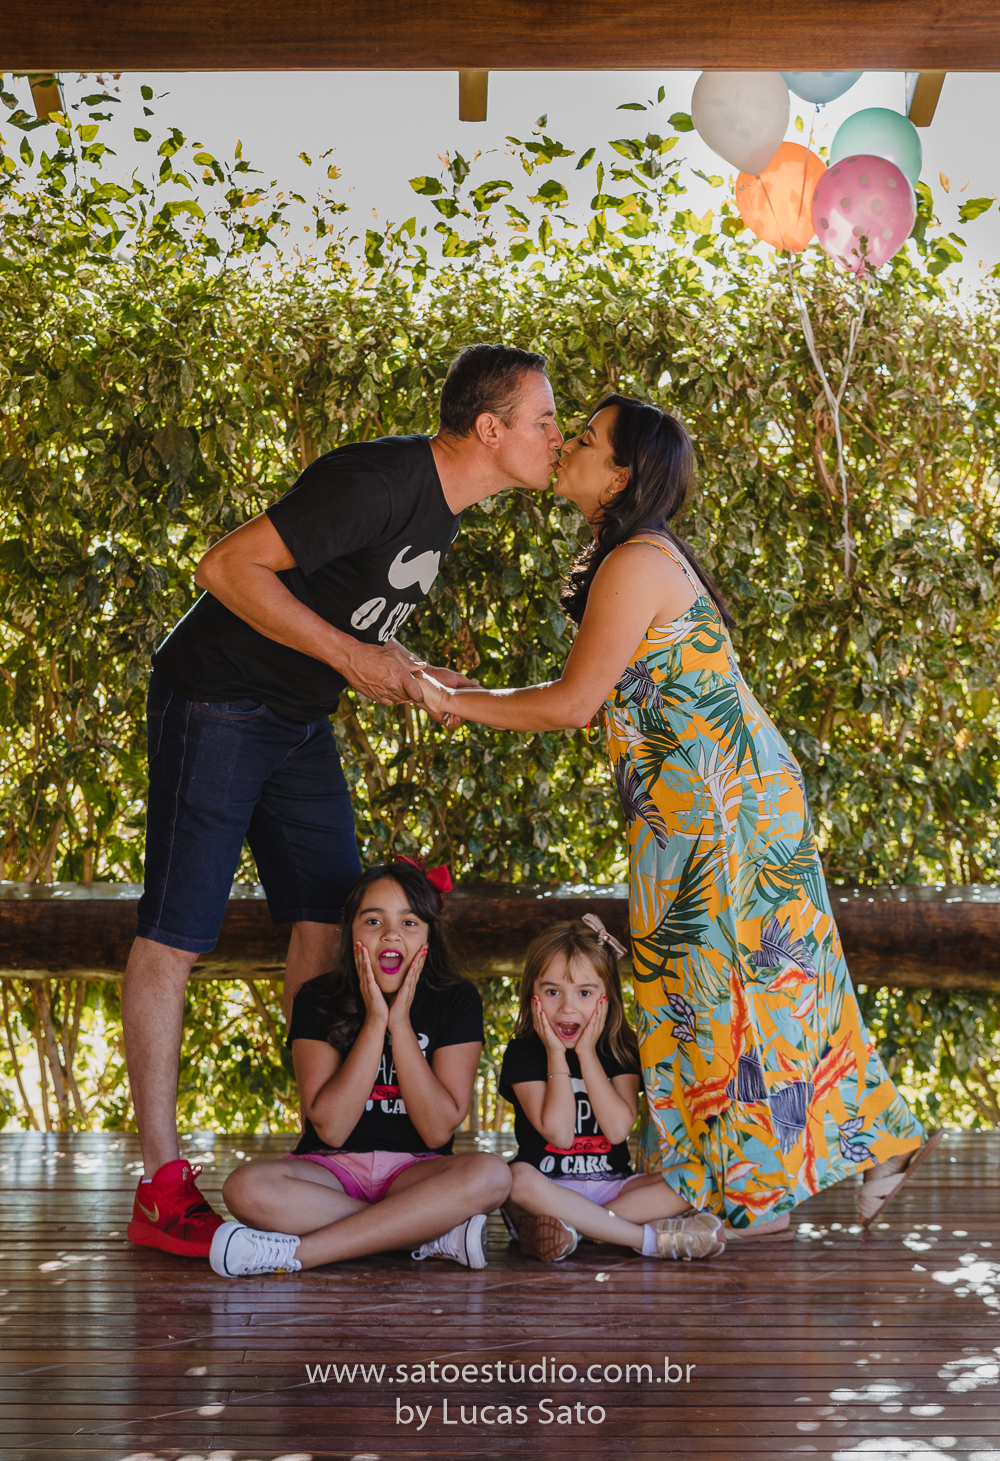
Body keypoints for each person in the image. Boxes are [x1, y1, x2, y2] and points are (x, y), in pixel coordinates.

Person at [417, 393, 939, 1245]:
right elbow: (591, 691)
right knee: (748, 990)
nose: (566, 446)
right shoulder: (627, 555)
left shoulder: (637, 562)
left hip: (720, 811)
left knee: (734, 992)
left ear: (621, 475)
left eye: (583, 439)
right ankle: (817, 1156)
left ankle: (808, 1159)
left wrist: (456, 704)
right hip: (697, 808)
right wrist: (471, 694)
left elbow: (574, 703)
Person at [124, 344, 562, 1258]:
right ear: (490, 430)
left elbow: (355, 620)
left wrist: (406, 668)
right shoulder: (378, 481)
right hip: (216, 700)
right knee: (176, 931)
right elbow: (227, 568)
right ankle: (162, 1185)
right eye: (545, 421)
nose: (558, 438)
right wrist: (354, 661)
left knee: (330, 921)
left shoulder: (444, 513)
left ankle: (328, 1138)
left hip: (296, 717)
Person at [210, 859, 511, 1277]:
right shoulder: (317, 996)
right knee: (244, 1188)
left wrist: (400, 1023)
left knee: (492, 1174)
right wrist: (375, 1021)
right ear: (350, 930)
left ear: (429, 936)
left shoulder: (456, 999)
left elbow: (437, 1129)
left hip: (418, 1171)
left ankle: (299, 1255)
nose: (390, 934)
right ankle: (424, 1234)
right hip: (329, 1169)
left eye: (409, 923)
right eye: (373, 920)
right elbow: (331, 1129)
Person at [500, 916, 724, 1262]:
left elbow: (618, 1130)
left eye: (585, 993)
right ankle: (647, 1239)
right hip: (548, 1188)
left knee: (696, 1178)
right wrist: (556, 1054)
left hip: (614, 1190)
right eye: (552, 991)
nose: (567, 1007)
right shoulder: (524, 1052)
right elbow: (559, 1134)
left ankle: (577, 1231)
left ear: (607, 997)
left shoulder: (620, 1047)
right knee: (515, 1179)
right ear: (532, 993)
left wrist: (587, 1053)